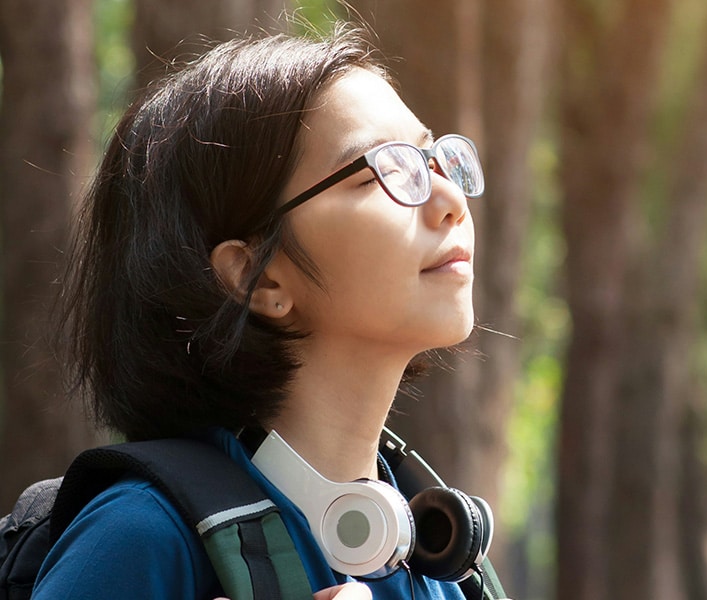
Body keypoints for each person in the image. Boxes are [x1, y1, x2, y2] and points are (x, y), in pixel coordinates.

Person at [35, 25, 488, 600]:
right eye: (383, 171)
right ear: (257, 275)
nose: (451, 202)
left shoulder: (438, 570)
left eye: (434, 158)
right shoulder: (141, 536)